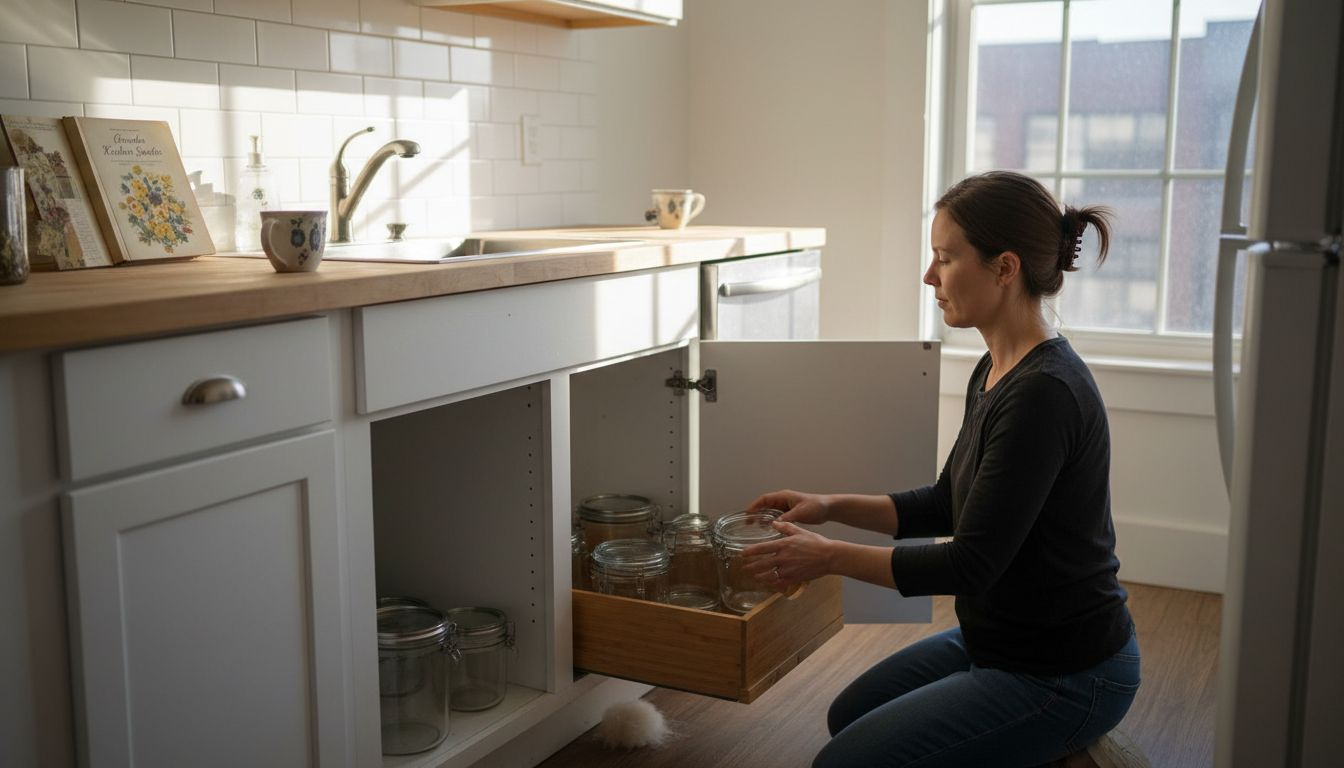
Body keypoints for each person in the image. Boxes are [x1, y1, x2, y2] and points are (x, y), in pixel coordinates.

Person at [742, 170, 1140, 768]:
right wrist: (830, 505)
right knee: (846, 717)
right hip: (1000, 644)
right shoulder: (997, 368)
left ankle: (1070, 745)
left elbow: (970, 563)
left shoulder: (1044, 394)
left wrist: (827, 557)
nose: (930, 276)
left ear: (1005, 269)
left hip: (1066, 672)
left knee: (842, 763)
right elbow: (946, 502)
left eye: (945, 258)